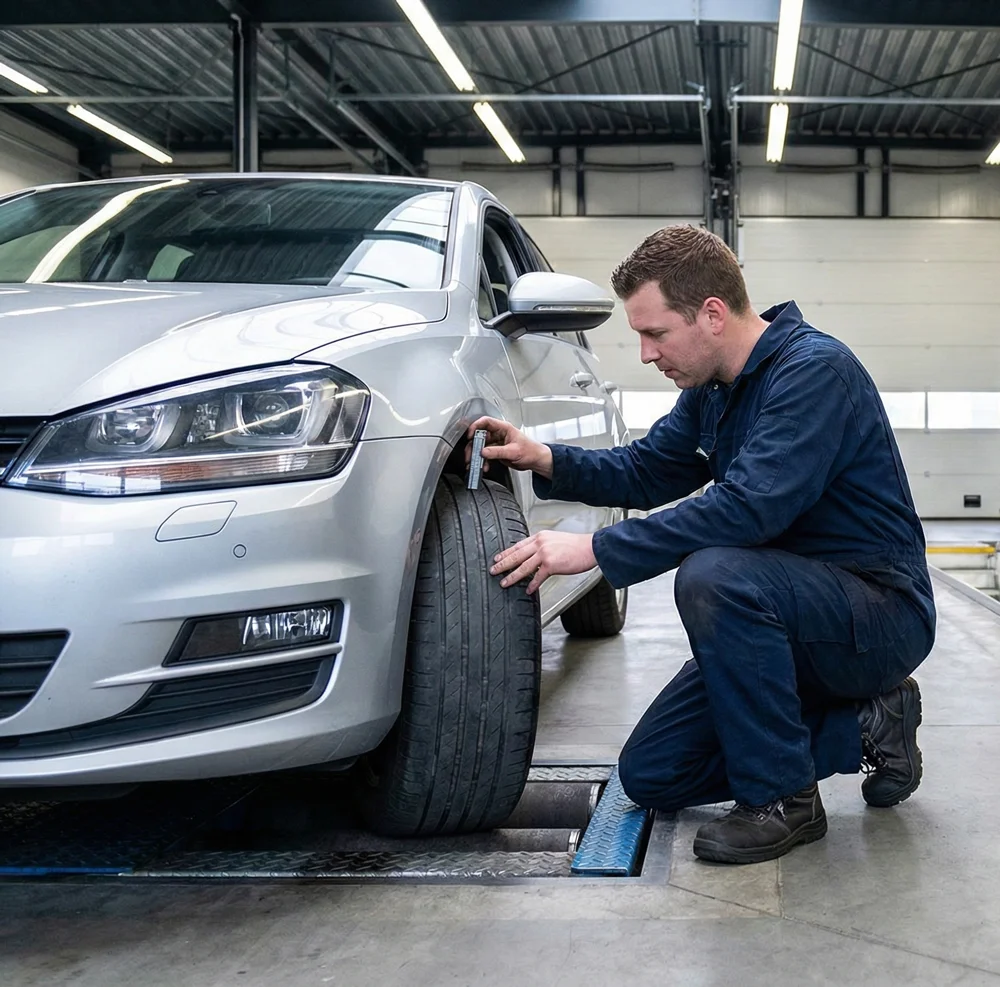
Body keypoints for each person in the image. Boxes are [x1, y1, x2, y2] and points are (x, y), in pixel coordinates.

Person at [468, 225, 935, 865]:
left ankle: (783, 802)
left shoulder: (814, 373)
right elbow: (646, 468)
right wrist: (542, 457)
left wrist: (599, 552)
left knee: (714, 574)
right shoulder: (712, 392)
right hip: (782, 616)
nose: (644, 354)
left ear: (712, 314)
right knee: (654, 774)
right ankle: (864, 722)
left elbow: (750, 506)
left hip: (875, 614)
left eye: (655, 333)